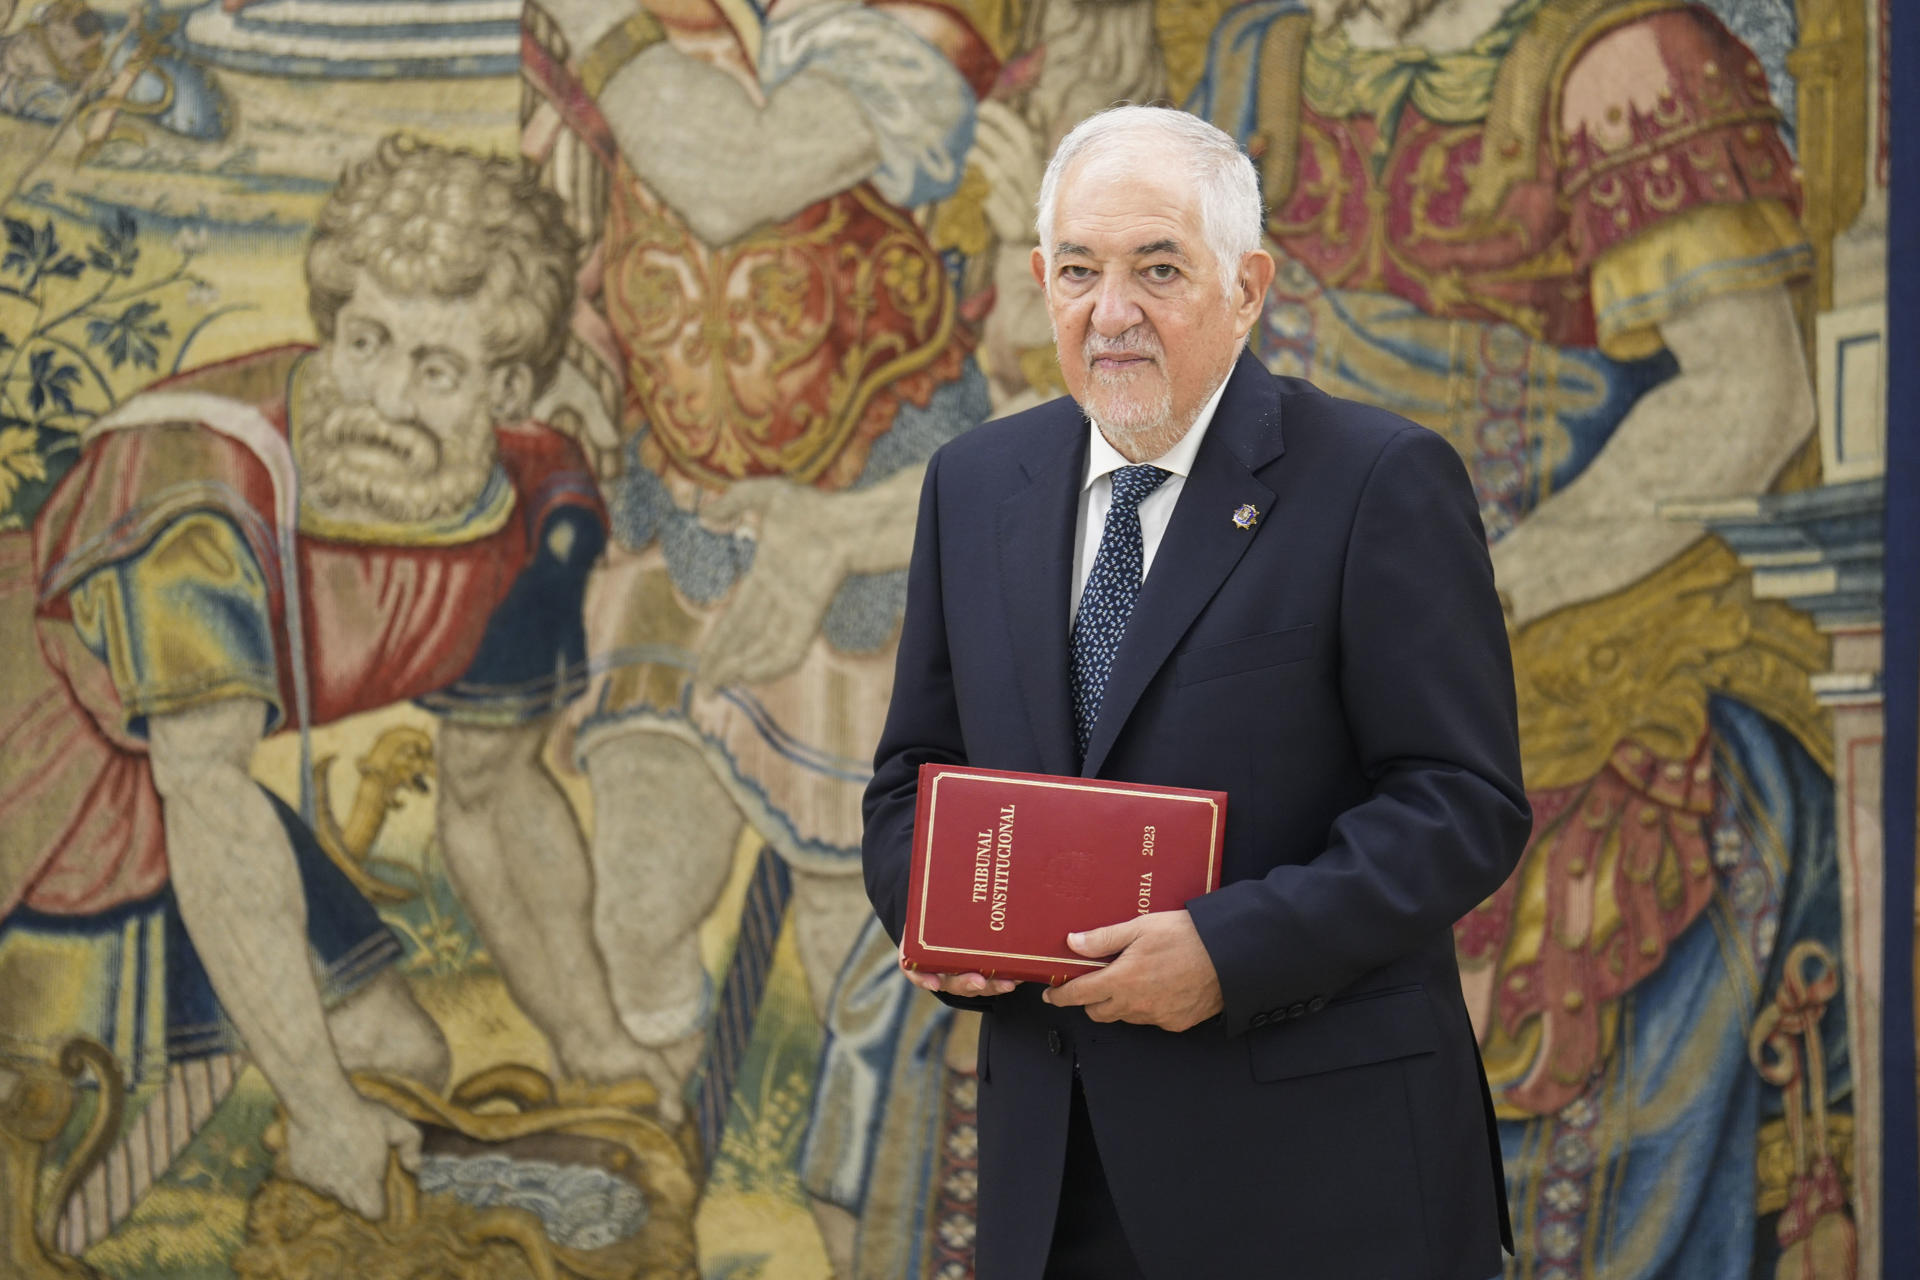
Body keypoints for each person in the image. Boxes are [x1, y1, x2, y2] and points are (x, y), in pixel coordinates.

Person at [1185, 1, 1851, 1271]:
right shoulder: (1255, 59)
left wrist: (1475, 591)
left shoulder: (1618, 61)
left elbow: (1753, 391)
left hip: (1568, 666)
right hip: (1284, 677)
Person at [862, 104, 1533, 1279]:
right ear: (1041, 281)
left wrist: (1230, 950)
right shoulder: (975, 484)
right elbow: (912, 779)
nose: (1110, 312)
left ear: (1247, 284)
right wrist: (935, 916)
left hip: (1320, 1183)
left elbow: (1460, 801)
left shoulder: (1380, 478)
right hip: (1053, 1174)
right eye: (1079, 271)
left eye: (1156, 268)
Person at [0, 134, 673, 1226]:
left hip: (174, 781)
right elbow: (206, 794)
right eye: (365, 340)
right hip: (45, 771)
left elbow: (495, 794)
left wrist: (594, 1042)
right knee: (80, 1134)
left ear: (506, 388)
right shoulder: (196, 486)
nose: (385, 396)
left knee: (404, 1056)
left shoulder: (527, 498)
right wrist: (317, 1110)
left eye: (436, 366)